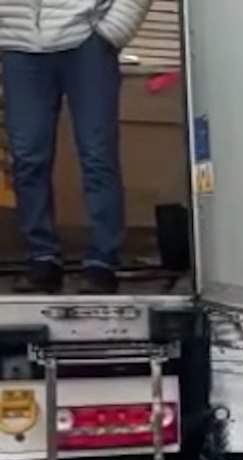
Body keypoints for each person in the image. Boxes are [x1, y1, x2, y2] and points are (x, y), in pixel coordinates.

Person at [0, 0, 154, 294]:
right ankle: (42, 258)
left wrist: (111, 32)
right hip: (19, 44)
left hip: (87, 44)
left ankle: (103, 260)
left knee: (97, 155)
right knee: (27, 157)